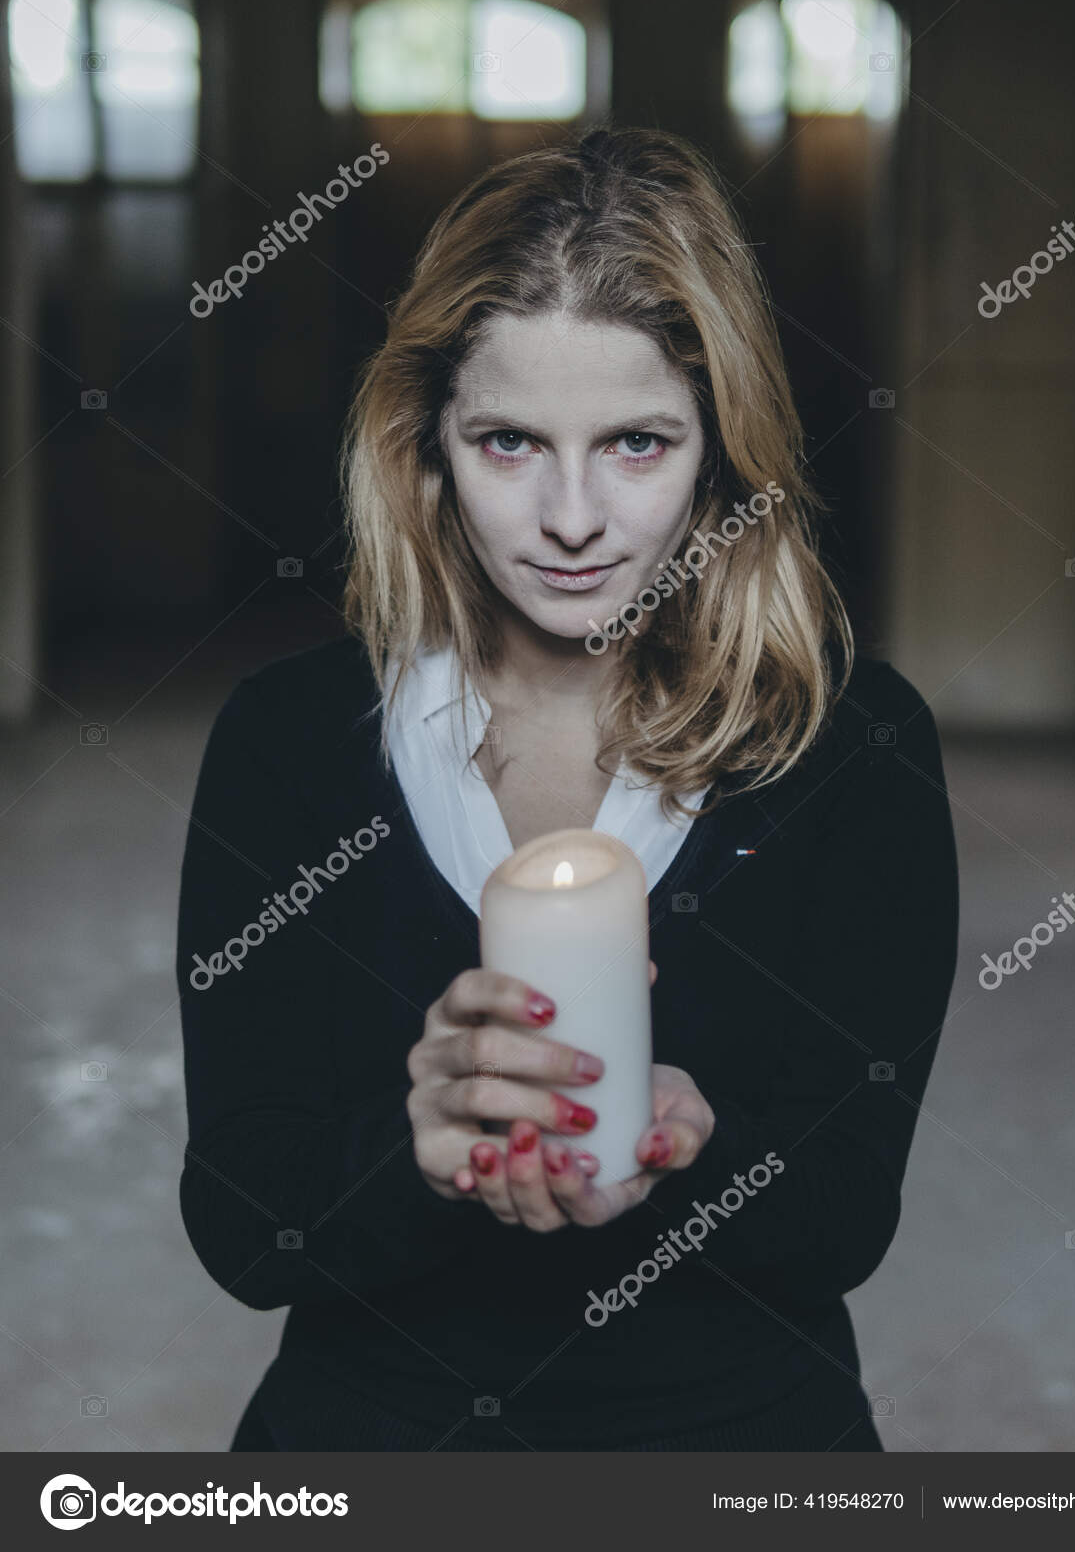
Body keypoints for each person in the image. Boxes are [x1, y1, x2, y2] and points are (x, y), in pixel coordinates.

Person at [175, 125, 959, 1453]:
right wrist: (417, 1147)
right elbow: (250, 1231)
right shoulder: (291, 740)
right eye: (511, 443)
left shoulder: (851, 743)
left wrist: (692, 1149)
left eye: (639, 444)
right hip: (375, 1436)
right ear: (426, 445)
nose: (575, 517)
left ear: (723, 450)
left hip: (739, 1438)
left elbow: (845, 1219)